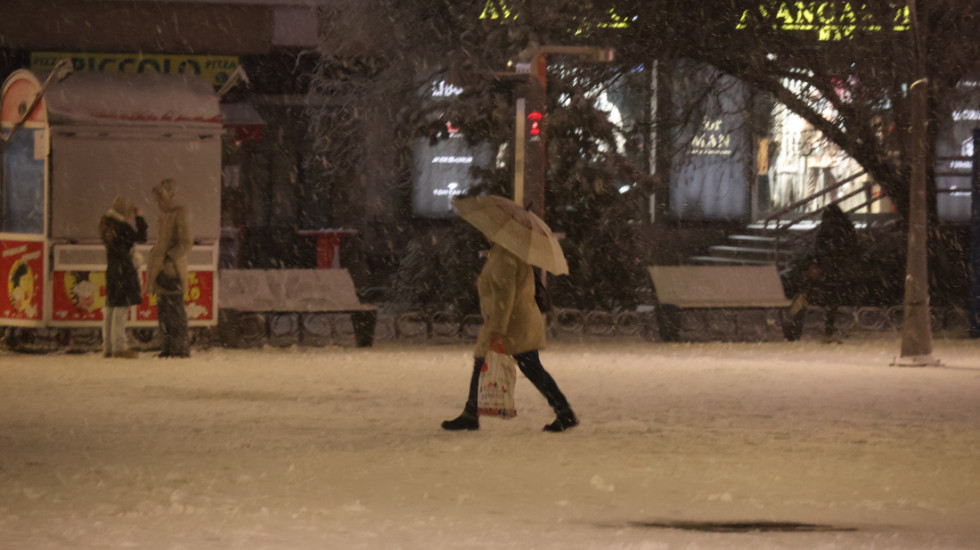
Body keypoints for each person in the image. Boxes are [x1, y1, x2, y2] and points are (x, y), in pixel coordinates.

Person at [441, 241, 577, 433]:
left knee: (487, 363)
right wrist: (484, 284)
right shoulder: (509, 253)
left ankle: (471, 414)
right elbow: (504, 290)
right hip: (518, 322)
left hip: (511, 324)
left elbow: (504, 297)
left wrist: (497, 329)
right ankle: (564, 412)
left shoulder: (504, 257)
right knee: (528, 368)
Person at [785, 204, 862, 343]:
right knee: (832, 301)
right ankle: (828, 330)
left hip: (827, 273)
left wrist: (819, 265)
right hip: (840, 274)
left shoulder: (827, 231)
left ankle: (796, 328)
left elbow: (821, 250)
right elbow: (851, 250)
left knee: (809, 296)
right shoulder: (846, 230)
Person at [147, 178, 192, 358]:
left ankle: (179, 348)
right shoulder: (165, 214)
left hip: (171, 269)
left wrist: (168, 258)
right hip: (162, 268)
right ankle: (168, 347)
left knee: (174, 311)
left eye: (160, 195)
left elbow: (186, 242)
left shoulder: (178, 213)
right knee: (165, 311)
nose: (157, 200)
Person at [99, 195, 148, 358]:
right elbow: (142, 237)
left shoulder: (106, 224)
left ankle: (108, 346)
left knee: (112, 307)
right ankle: (119, 347)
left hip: (113, 269)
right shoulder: (121, 227)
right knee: (121, 308)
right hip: (123, 270)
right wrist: (139, 217)